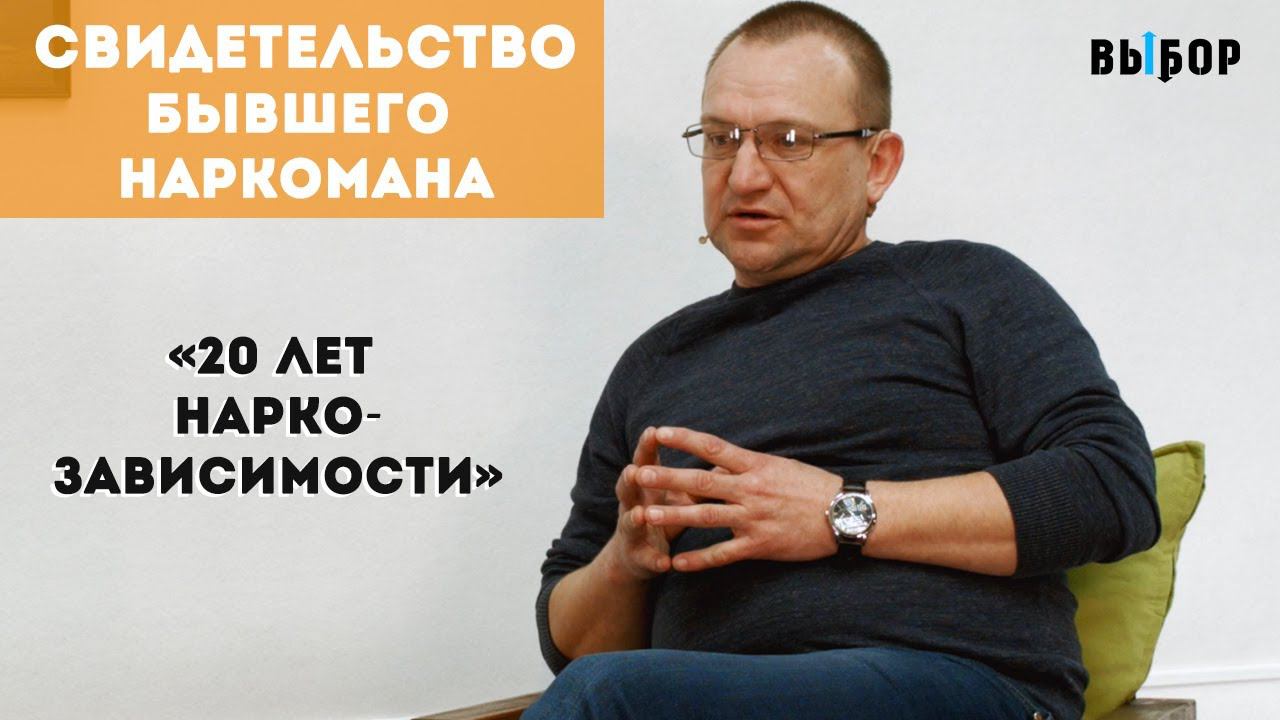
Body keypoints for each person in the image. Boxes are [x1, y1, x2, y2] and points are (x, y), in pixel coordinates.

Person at [524, 3, 1160, 719]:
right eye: (722, 139)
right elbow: (573, 644)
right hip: (698, 700)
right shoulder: (654, 363)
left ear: (876, 165)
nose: (743, 175)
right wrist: (625, 562)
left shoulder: (966, 287)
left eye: (788, 140)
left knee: (608, 699)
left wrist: (838, 511)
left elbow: (1113, 487)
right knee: (602, 691)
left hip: (962, 685)